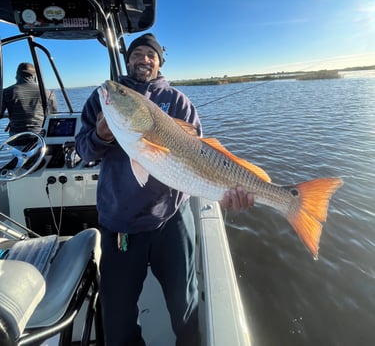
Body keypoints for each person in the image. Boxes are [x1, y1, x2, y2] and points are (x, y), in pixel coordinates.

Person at [75, 33, 254, 346]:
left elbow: (203, 157)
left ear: (159, 63)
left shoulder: (179, 102)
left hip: (171, 221)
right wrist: (101, 134)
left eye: (150, 55)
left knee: (185, 308)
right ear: (128, 59)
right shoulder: (102, 98)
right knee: (117, 318)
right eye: (138, 54)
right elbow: (84, 152)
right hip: (120, 224)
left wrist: (226, 192)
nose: (144, 59)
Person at [1, 62, 58, 136]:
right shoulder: (48, 92)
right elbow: (54, 116)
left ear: (17, 76)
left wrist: (13, 116)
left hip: (16, 138)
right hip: (40, 137)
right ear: (34, 76)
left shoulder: (6, 92)